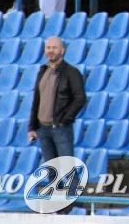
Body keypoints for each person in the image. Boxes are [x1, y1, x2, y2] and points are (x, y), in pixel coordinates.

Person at [28, 36, 86, 164]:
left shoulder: (72, 72)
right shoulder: (42, 72)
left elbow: (80, 98)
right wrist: (32, 127)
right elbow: (37, 101)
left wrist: (64, 120)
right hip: (43, 129)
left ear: (62, 50)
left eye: (54, 48)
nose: (51, 50)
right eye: (48, 47)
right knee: (52, 171)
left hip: (61, 129)